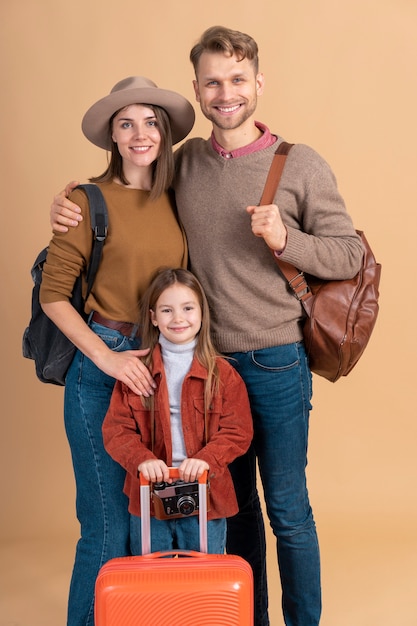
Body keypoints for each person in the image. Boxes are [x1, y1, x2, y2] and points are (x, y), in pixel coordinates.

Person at [49, 26, 364, 626]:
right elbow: (121, 198)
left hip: (273, 360)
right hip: (204, 367)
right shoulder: (185, 161)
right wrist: (71, 199)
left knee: (289, 511)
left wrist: (286, 239)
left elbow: (348, 255)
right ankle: (245, 617)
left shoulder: (298, 164)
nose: (226, 93)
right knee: (232, 507)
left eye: (238, 80)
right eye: (213, 82)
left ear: (258, 84)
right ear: (196, 90)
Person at [40, 76, 195, 626]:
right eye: (126, 123)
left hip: (161, 366)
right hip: (104, 361)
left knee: (150, 523)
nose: (140, 134)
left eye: (151, 122)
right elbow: (53, 294)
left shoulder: (179, 199)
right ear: (112, 134)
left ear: (166, 131)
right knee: (106, 526)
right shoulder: (85, 201)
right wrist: (107, 359)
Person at [102, 267, 253, 555]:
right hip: (150, 497)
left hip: (206, 498)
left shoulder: (222, 374)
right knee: (153, 580)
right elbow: (116, 430)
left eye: (187, 308)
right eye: (167, 310)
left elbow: (238, 431)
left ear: (201, 313)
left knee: (204, 579)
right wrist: (142, 460)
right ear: (153, 318)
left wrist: (207, 459)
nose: (179, 318)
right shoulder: (137, 372)